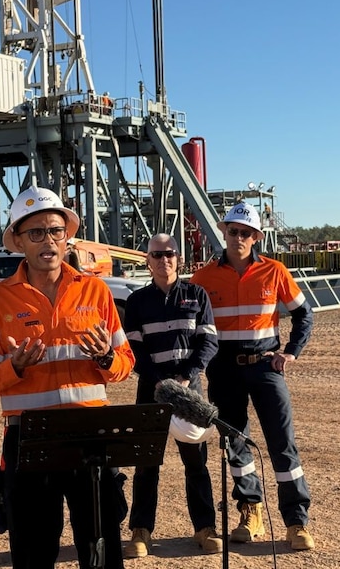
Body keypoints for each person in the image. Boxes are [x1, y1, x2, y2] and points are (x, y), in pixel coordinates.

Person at [0, 186, 135, 569]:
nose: (48, 241)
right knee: (33, 553)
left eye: (55, 230)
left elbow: (125, 363)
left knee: (101, 548)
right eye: (36, 233)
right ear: (19, 242)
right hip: (28, 440)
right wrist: (14, 368)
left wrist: (106, 357)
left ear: (66, 236)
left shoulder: (95, 291)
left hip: (93, 438)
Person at [190, 201, 316, 551]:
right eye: (233, 231)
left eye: (246, 233)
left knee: (282, 443)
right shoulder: (202, 277)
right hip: (223, 369)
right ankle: (251, 512)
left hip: (265, 366)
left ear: (257, 237)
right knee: (235, 444)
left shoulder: (274, 271)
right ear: (223, 231)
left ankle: (296, 521)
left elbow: (304, 315)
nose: (239, 238)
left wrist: (291, 351)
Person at [122, 233, 221, 558]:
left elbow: (208, 342)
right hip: (150, 391)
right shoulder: (137, 302)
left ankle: (205, 528)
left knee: (196, 463)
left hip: (188, 392)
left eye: (169, 254)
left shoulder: (196, 295)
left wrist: (184, 377)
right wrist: (159, 382)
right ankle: (141, 530)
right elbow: (133, 350)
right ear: (147, 261)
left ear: (179, 258)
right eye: (157, 255)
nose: (163, 260)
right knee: (146, 463)